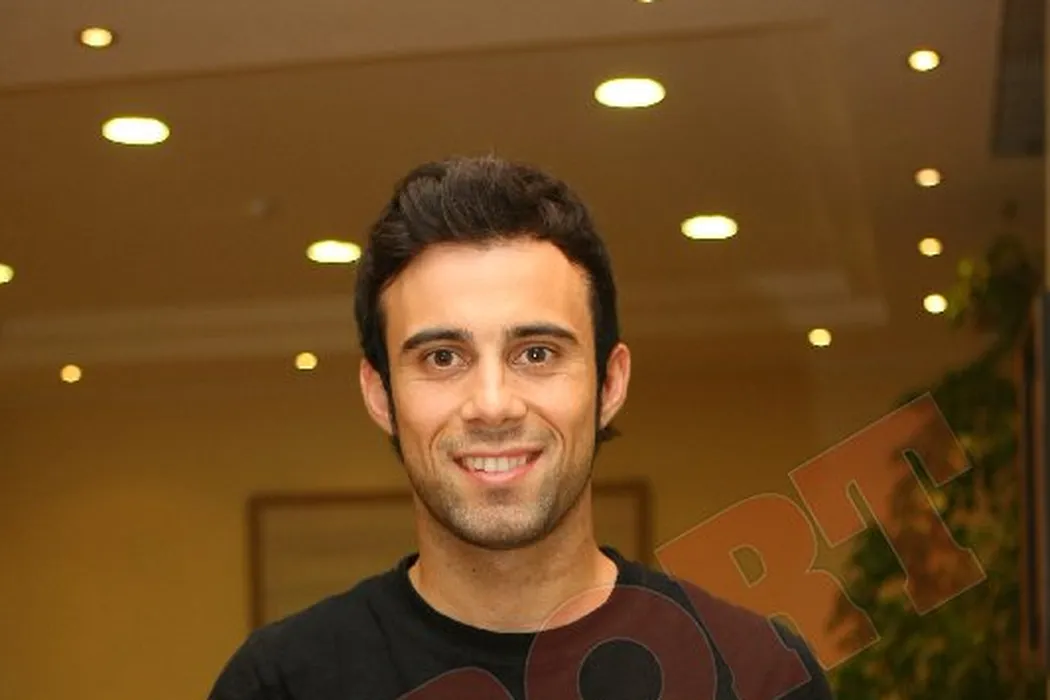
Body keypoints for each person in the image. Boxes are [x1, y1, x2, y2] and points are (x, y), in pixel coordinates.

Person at [207, 155, 834, 700]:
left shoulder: (758, 676)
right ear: (380, 395)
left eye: (536, 353)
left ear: (610, 384)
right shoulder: (281, 684)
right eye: (442, 358)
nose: (492, 404)